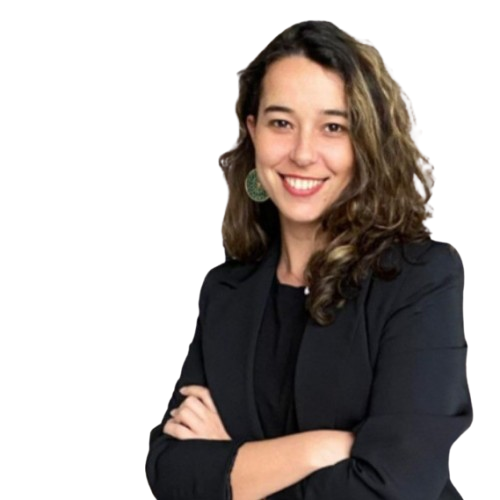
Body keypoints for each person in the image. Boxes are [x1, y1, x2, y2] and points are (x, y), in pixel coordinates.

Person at [145, 19, 472, 500]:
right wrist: (322, 449)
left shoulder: (419, 278)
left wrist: (234, 460)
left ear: (366, 144)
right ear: (253, 131)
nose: (302, 153)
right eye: (281, 123)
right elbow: (169, 471)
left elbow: (395, 488)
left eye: (333, 127)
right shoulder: (225, 291)